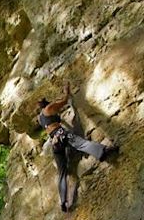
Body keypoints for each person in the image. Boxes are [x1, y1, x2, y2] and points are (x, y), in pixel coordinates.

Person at [37, 82, 119, 212]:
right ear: (47, 103)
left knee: (62, 172)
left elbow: (54, 122)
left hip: (54, 142)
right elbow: (64, 101)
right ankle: (103, 152)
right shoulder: (49, 108)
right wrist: (66, 91)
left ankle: (63, 201)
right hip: (61, 134)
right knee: (81, 144)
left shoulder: (40, 118)